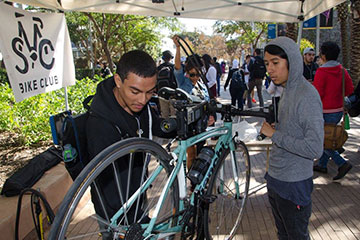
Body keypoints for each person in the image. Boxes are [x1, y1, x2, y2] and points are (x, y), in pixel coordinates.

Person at [86, 50, 174, 239]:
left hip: (138, 198)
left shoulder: (140, 106)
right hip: (114, 209)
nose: (142, 100)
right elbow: (105, 182)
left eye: (149, 92)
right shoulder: (99, 123)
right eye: (135, 91)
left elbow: (155, 125)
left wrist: (177, 125)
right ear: (118, 81)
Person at [260, 37, 324, 240]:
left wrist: (276, 135)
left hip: (294, 185)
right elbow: (296, 130)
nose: (270, 69)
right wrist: (280, 128)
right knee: (284, 235)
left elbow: (315, 148)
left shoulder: (307, 95)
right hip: (277, 180)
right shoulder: (286, 89)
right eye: (267, 63)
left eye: (275, 63)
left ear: (292, 62)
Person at [313, 41, 354, 180]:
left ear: (323, 55)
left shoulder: (322, 71)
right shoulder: (342, 70)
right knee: (327, 137)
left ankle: (342, 163)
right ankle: (322, 165)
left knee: (322, 141)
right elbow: (349, 90)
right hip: (338, 110)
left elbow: (317, 94)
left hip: (324, 111)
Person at [157, 50, 177, 118]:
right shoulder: (173, 67)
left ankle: (165, 127)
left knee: (164, 115)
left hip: (161, 93)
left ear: (163, 58)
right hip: (173, 94)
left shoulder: (159, 68)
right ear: (171, 57)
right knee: (174, 115)